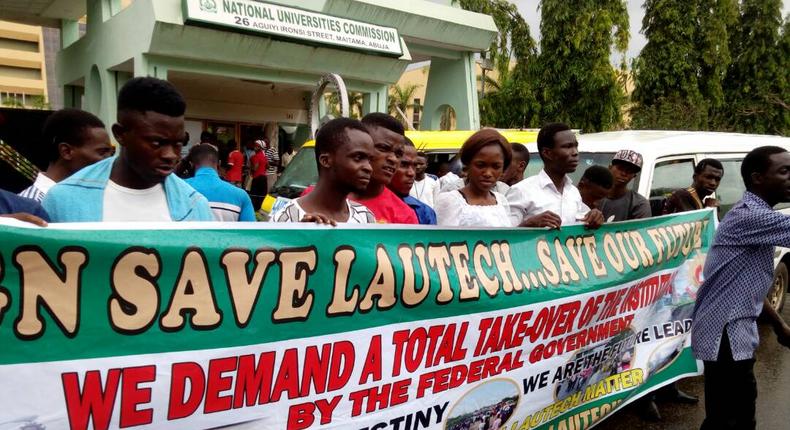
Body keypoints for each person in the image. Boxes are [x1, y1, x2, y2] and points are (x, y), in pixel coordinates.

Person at [691, 146, 790, 430]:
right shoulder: (751, 216)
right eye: (784, 172)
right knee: (728, 419)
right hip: (725, 333)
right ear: (758, 178)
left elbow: (746, 288)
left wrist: (779, 324)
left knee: (736, 415)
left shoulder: (756, 216)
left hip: (734, 330)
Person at [42, 77, 213, 222]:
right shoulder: (63, 200)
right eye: (156, 143)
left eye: (178, 144)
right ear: (120, 134)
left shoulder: (195, 207)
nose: (170, 155)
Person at [272, 118, 375, 224]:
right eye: (358, 157)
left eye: (370, 160)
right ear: (325, 160)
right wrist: (301, 235)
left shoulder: (366, 218)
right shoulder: (285, 219)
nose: (369, 168)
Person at [506, 123, 604, 229]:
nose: (575, 152)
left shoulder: (573, 193)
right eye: (567, 146)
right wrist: (529, 224)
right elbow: (504, 238)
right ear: (547, 153)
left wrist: (594, 217)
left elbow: (583, 224)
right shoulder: (521, 191)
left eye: (576, 146)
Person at [19, 108, 113, 202]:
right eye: (102, 152)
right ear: (66, 151)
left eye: (112, 152)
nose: (110, 159)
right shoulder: (30, 205)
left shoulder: (94, 198)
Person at [435, 129, 513, 227]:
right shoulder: (450, 201)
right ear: (467, 165)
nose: (488, 173)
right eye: (480, 165)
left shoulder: (502, 201)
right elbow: (442, 240)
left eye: (496, 167)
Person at [352, 113, 417, 224]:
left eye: (398, 154)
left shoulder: (405, 217)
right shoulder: (317, 200)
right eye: (383, 148)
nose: (393, 159)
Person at [185, 144, 255, 222]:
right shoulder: (241, 196)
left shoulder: (177, 190)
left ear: (191, 164)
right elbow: (251, 233)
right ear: (219, 163)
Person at [390, 138, 437, 225]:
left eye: (414, 165)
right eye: (403, 165)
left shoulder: (424, 212)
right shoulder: (362, 207)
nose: (411, 173)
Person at [599, 149, 651, 221]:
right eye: (620, 168)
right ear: (610, 167)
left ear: (634, 176)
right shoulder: (594, 196)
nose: (623, 174)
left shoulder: (639, 204)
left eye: (629, 171)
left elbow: (640, 230)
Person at [248, 140, 269, 210]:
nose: (254, 147)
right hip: (264, 177)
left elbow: (255, 168)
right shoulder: (264, 156)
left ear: (259, 147)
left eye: (256, 146)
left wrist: (250, 168)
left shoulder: (256, 156)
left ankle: (255, 210)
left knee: (255, 195)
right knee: (262, 196)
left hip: (257, 178)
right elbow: (268, 166)